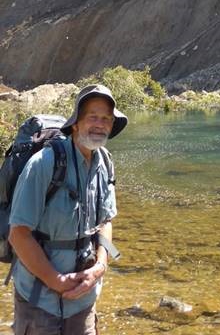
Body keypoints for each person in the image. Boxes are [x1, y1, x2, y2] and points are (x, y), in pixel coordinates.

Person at [8, 84, 128, 334]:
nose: (100, 124)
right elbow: (18, 234)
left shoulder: (105, 162)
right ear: (75, 123)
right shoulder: (44, 164)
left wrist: (100, 267)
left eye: (106, 118)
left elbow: (106, 222)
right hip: (39, 298)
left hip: (84, 299)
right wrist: (57, 281)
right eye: (92, 117)